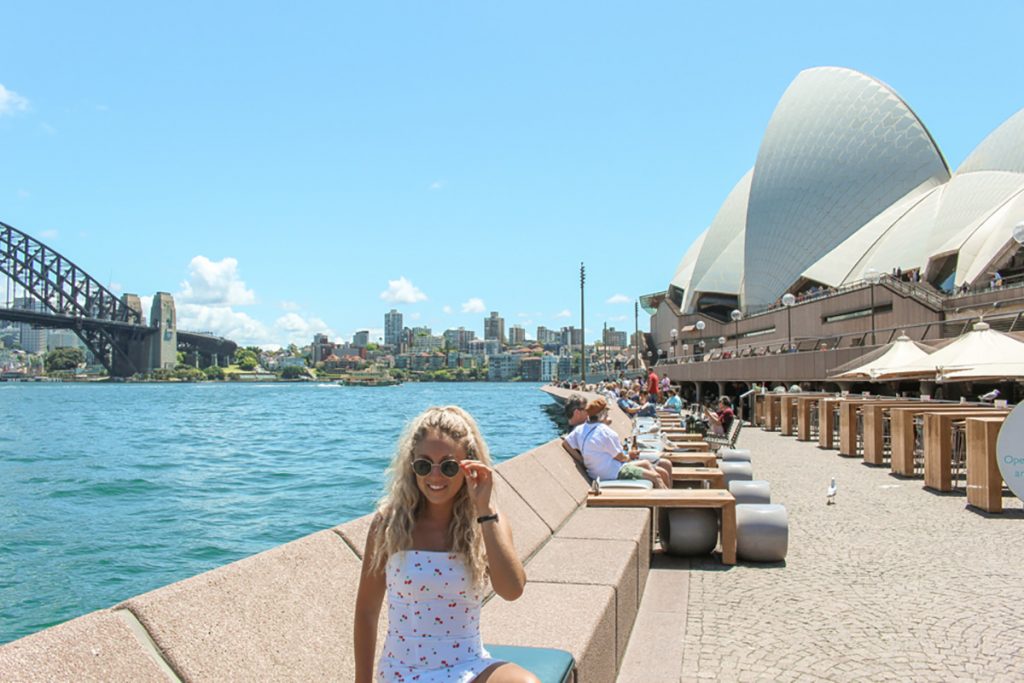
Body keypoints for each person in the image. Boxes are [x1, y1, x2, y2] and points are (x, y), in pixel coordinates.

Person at [354, 406, 538, 683]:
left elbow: (512, 590)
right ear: (411, 466)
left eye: (449, 466)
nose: (435, 476)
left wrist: (485, 510)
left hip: (468, 664)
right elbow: (367, 612)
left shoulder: (487, 521)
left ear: (469, 467)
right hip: (403, 670)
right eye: (424, 465)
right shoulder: (389, 525)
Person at [562, 397, 671, 488]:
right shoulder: (606, 432)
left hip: (596, 473)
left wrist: (582, 460)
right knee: (656, 477)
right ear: (603, 414)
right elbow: (620, 458)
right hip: (614, 472)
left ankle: (658, 500)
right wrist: (630, 457)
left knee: (647, 464)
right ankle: (669, 501)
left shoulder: (580, 429)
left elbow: (566, 443)